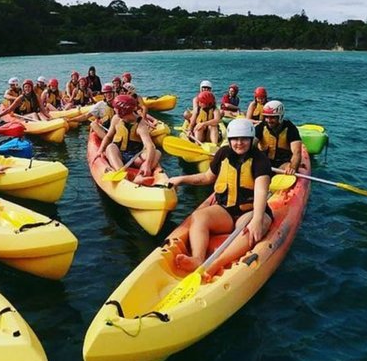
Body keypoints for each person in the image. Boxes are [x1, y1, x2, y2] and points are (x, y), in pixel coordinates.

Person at [166, 119, 273, 278]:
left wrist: (257, 219)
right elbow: (207, 178)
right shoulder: (223, 153)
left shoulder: (260, 160)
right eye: (235, 139)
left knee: (248, 228)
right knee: (198, 216)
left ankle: (216, 263)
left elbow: (261, 191)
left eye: (244, 139)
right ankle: (197, 258)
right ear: (229, 140)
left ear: (251, 139)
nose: (239, 143)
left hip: (251, 211)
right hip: (226, 211)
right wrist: (181, 179)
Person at [98, 95, 162, 182]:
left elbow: (150, 145)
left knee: (157, 152)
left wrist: (147, 164)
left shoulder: (140, 124)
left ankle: (140, 176)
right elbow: (109, 136)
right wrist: (100, 150)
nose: (114, 110)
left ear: (122, 110)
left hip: (135, 157)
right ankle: (121, 173)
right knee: (110, 147)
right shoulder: (116, 119)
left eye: (116, 108)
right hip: (119, 154)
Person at [255, 101, 303, 175]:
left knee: (288, 167)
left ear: (280, 117)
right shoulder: (261, 127)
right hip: (264, 162)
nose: (268, 120)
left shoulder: (290, 129)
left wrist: (293, 167)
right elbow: (251, 144)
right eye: (266, 117)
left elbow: (297, 152)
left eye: (272, 117)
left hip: (282, 164)